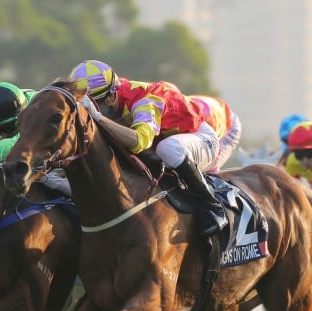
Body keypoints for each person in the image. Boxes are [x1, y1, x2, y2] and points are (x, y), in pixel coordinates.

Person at [68, 59, 226, 235]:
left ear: (111, 97)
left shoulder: (145, 101)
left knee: (168, 148)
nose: (90, 111)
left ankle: (213, 206)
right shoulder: (111, 94)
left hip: (201, 139)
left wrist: (98, 117)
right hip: (160, 144)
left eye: (95, 105)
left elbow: (139, 142)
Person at [189, 94, 242, 173]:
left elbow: (215, 149)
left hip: (228, 125)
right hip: (212, 110)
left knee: (209, 166)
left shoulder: (204, 121)